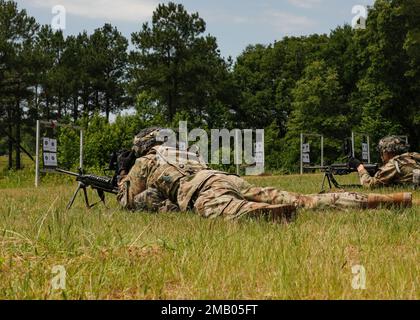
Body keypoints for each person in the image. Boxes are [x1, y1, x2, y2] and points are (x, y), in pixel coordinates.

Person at [117, 128, 413, 223]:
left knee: (234, 213)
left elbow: (127, 200)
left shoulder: (147, 160)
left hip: (202, 191)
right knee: (307, 199)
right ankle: (383, 200)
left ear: (144, 146)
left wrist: (122, 174)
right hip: (227, 179)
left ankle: (268, 214)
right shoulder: (185, 151)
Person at [349, 136, 420, 188]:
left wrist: (359, 167)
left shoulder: (395, 163)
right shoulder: (412, 156)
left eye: (382, 152)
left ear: (387, 152)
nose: (381, 155)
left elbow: (370, 184)